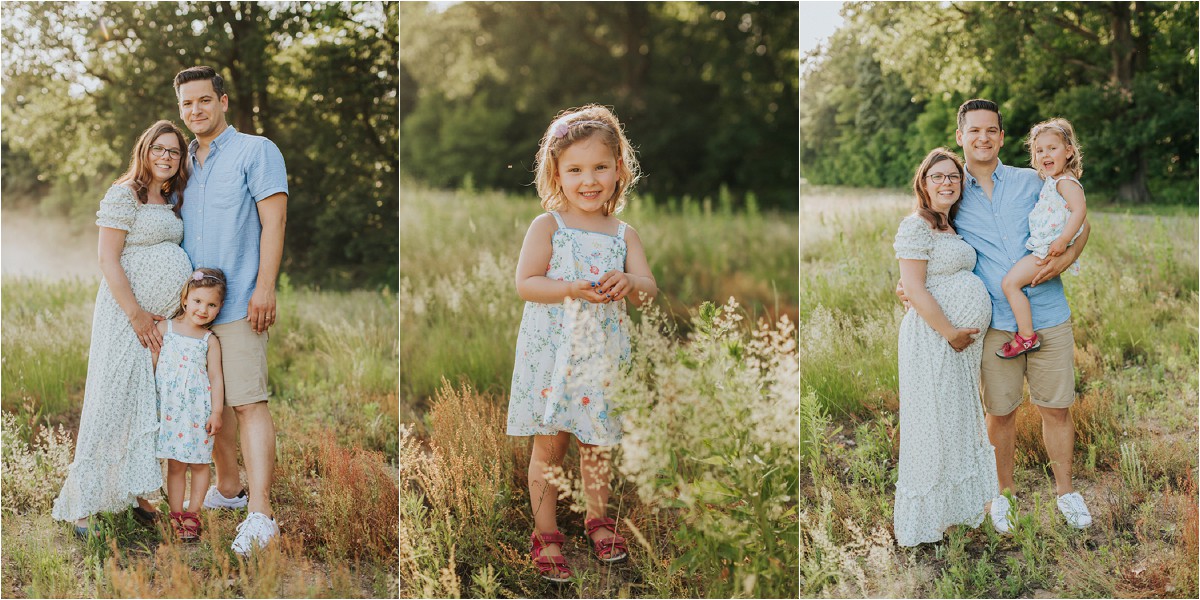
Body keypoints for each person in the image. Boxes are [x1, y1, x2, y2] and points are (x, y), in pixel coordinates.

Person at [898, 99, 1093, 533]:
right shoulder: (952, 188)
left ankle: (1067, 493)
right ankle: (1001, 495)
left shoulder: (1033, 181)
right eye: (974, 131)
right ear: (960, 136)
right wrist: (909, 286)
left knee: (1056, 408)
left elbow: (1082, 222)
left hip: (1049, 313)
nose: (983, 138)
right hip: (995, 324)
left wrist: (1068, 257)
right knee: (1000, 412)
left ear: (1002, 137)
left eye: (991, 130)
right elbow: (927, 238)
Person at [507, 105, 656, 582]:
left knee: (597, 443)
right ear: (557, 174)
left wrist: (630, 280)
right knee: (550, 446)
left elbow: (650, 289)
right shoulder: (549, 226)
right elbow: (527, 283)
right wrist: (569, 287)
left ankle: (597, 520)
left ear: (619, 170)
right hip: (555, 355)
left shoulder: (624, 234)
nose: (588, 180)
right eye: (574, 170)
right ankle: (546, 531)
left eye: (599, 168)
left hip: (602, 358)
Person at [52, 120, 196, 538]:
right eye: (159, 149)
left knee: (144, 402)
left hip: (157, 323)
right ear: (144, 150)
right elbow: (108, 259)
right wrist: (136, 314)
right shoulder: (123, 195)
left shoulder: (170, 198)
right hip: (124, 317)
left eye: (174, 151)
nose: (166, 157)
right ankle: (83, 508)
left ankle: (135, 493)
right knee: (111, 399)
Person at [173, 65, 288, 556]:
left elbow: (275, 220)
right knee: (207, 404)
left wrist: (265, 286)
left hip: (240, 298)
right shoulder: (180, 164)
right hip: (193, 312)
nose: (194, 110)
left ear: (222, 101)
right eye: (186, 104)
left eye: (203, 100)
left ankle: (260, 514)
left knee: (247, 403)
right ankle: (228, 489)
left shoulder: (255, 151)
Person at [892, 148, 999, 546]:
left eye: (953, 176)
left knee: (954, 419)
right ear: (923, 183)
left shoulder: (951, 227)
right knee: (932, 422)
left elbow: (919, 282)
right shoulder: (915, 225)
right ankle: (928, 519)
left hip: (960, 346)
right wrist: (951, 332)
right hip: (934, 340)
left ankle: (955, 511)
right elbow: (914, 289)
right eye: (937, 176)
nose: (947, 182)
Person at [996, 118, 1087, 359]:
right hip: (1045, 247)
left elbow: (1080, 211)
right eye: (1039, 150)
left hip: (1047, 250)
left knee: (1010, 284)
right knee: (1013, 283)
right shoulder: (1052, 181)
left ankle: (1026, 336)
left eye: (1052, 148)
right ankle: (1026, 334)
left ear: (1068, 151)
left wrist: (1063, 240)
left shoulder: (1066, 182)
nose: (1045, 154)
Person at [151, 268, 226, 542]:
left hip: (198, 412)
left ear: (219, 309)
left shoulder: (210, 341)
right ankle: (175, 514)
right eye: (197, 301)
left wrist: (216, 411)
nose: (203, 309)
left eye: (211, 305)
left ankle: (193, 515)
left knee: (200, 464)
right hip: (170, 412)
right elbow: (152, 366)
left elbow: (216, 378)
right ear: (185, 299)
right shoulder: (164, 329)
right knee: (175, 465)